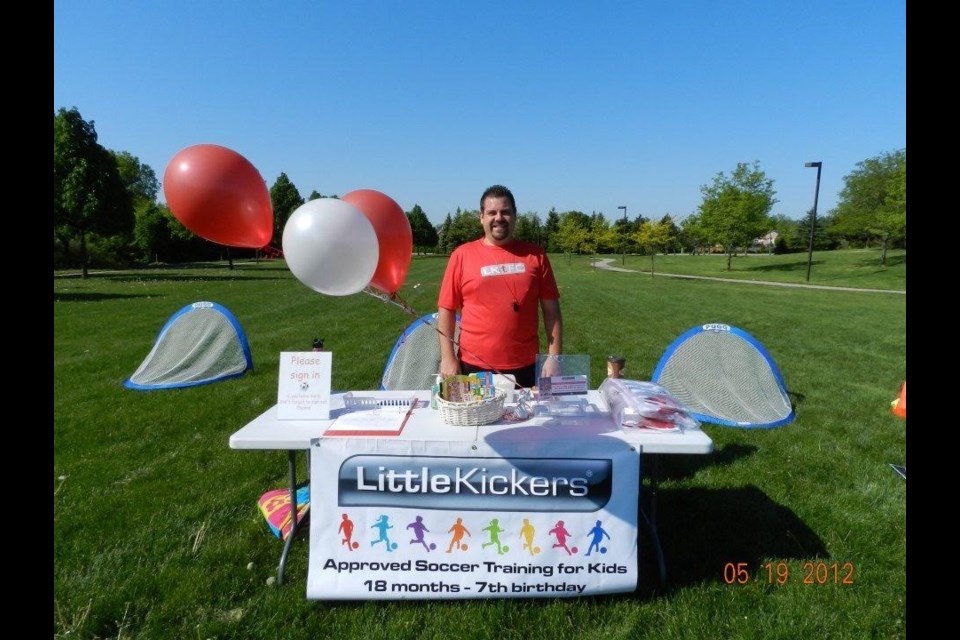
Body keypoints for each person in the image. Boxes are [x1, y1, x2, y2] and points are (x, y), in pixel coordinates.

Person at [437, 185, 563, 389]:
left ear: (515, 216)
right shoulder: (461, 255)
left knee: (526, 420)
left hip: (526, 366)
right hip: (474, 366)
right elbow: (446, 310)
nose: (499, 218)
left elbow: (552, 312)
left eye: (505, 212)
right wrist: (447, 357)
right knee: (478, 420)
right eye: (492, 212)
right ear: (481, 217)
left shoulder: (536, 256)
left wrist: (554, 357)